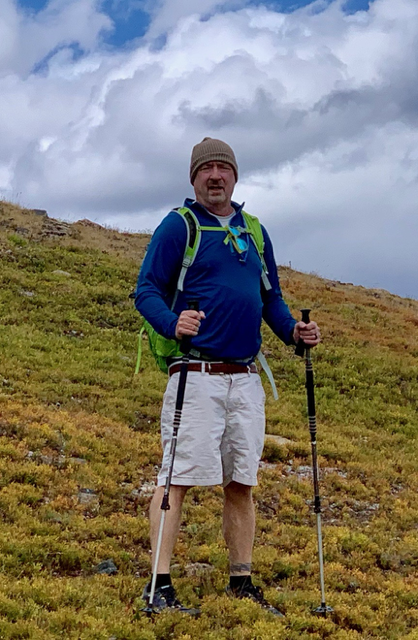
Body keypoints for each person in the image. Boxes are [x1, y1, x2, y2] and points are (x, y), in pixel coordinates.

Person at [135, 137, 321, 616]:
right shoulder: (179, 226)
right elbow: (146, 289)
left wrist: (294, 333)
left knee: (242, 480)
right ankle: (158, 586)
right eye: (206, 169)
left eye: (223, 168)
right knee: (176, 477)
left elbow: (270, 298)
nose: (215, 176)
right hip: (195, 373)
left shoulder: (253, 231)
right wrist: (172, 322)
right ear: (194, 177)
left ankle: (242, 581)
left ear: (235, 176)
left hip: (245, 378)